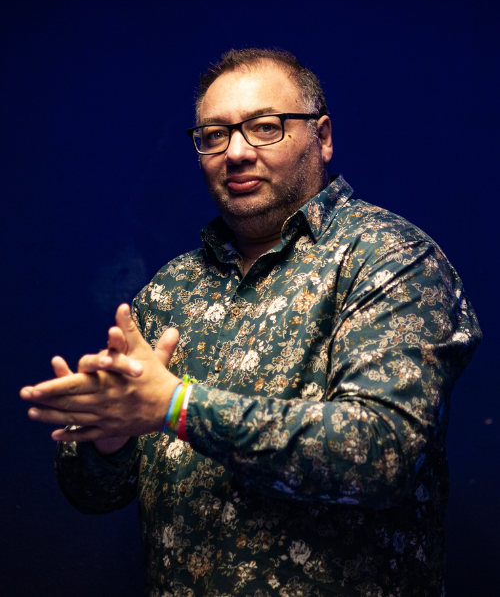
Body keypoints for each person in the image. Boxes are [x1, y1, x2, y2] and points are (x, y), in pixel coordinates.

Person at [21, 49, 481, 597]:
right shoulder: (170, 290)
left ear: (322, 137)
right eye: (214, 135)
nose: (236, 152)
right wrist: (109, 436)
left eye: (265, 127)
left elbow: (380, 453)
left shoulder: (389, 257)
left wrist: (177, 407)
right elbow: (92, 494)